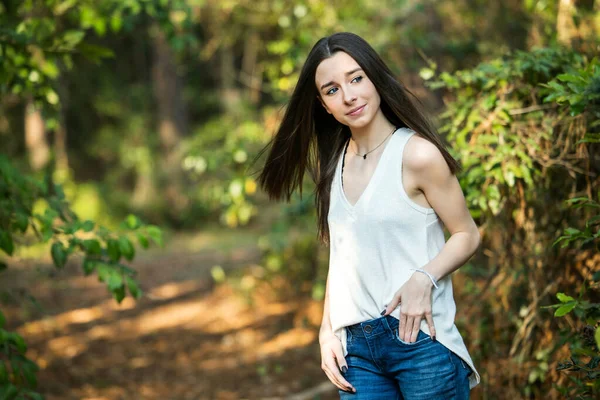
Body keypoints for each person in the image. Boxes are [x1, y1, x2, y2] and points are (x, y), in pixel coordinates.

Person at [257, 32, 481, 399]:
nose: (348, 96)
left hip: (421, 341)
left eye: (356, 78)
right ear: (323, 105)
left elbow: (467, 234)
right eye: (332, 90)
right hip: (357, 351)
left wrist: (424, 277)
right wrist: (326, 330)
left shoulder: (417, 155)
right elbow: (342, 257)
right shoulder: (334, 166)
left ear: (374, 77)